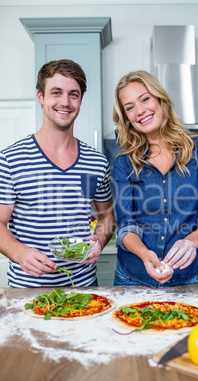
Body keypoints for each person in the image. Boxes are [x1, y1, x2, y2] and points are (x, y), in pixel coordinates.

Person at [0, 59, 116, 287]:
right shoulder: (10, 160)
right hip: (29, 292)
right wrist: (20, 253)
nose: (65, 102)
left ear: (81, 100)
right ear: (40, 97)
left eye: (74, 94)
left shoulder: (96, 162)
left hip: (84, 290)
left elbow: (106, 216)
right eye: (56, 92)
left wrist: (99, 241)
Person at [112, 70, 198, 288]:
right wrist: (145, 254)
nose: (140, 111)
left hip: (185, 277)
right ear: (126, 118)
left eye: (145, 99)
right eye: (130, 107)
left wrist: (191, 242)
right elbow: (127, 226)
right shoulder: (124, 163)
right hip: (132, 277)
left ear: (159, 99)